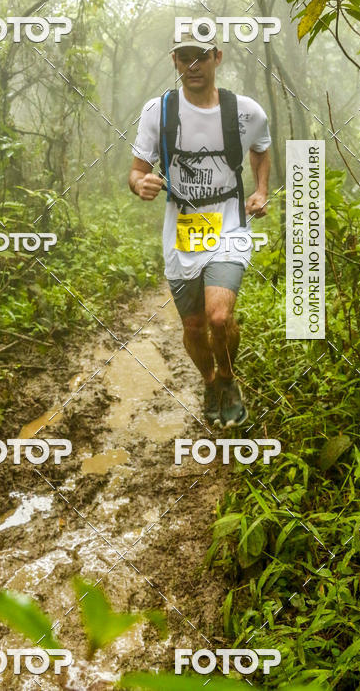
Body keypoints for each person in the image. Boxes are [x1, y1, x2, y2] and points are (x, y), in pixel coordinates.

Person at [129, 29, 271, 427]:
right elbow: (136, 171)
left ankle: (227, 378)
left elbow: (261, 148)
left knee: (219, 318)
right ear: (174, 61)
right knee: (193, 325)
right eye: (184, 57)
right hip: (182, 227)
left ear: (217, 58)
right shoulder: (158, 112)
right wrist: (140, 184)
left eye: (201, 56)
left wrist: (260, 190)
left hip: (228, 222)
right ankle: (210, 382)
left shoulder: (246, 112)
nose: (193, 66)